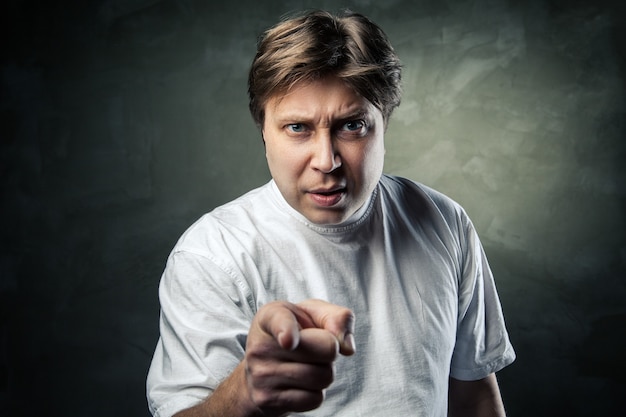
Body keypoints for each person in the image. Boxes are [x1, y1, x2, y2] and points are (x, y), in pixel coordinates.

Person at [146, 9, 516, 417]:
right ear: (263, 131)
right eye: (298, 128)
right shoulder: (213, 255)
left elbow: (476, 395)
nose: (326, 161)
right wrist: (244, 394)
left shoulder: (444, 222)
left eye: (352, 125)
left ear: (384, 124)